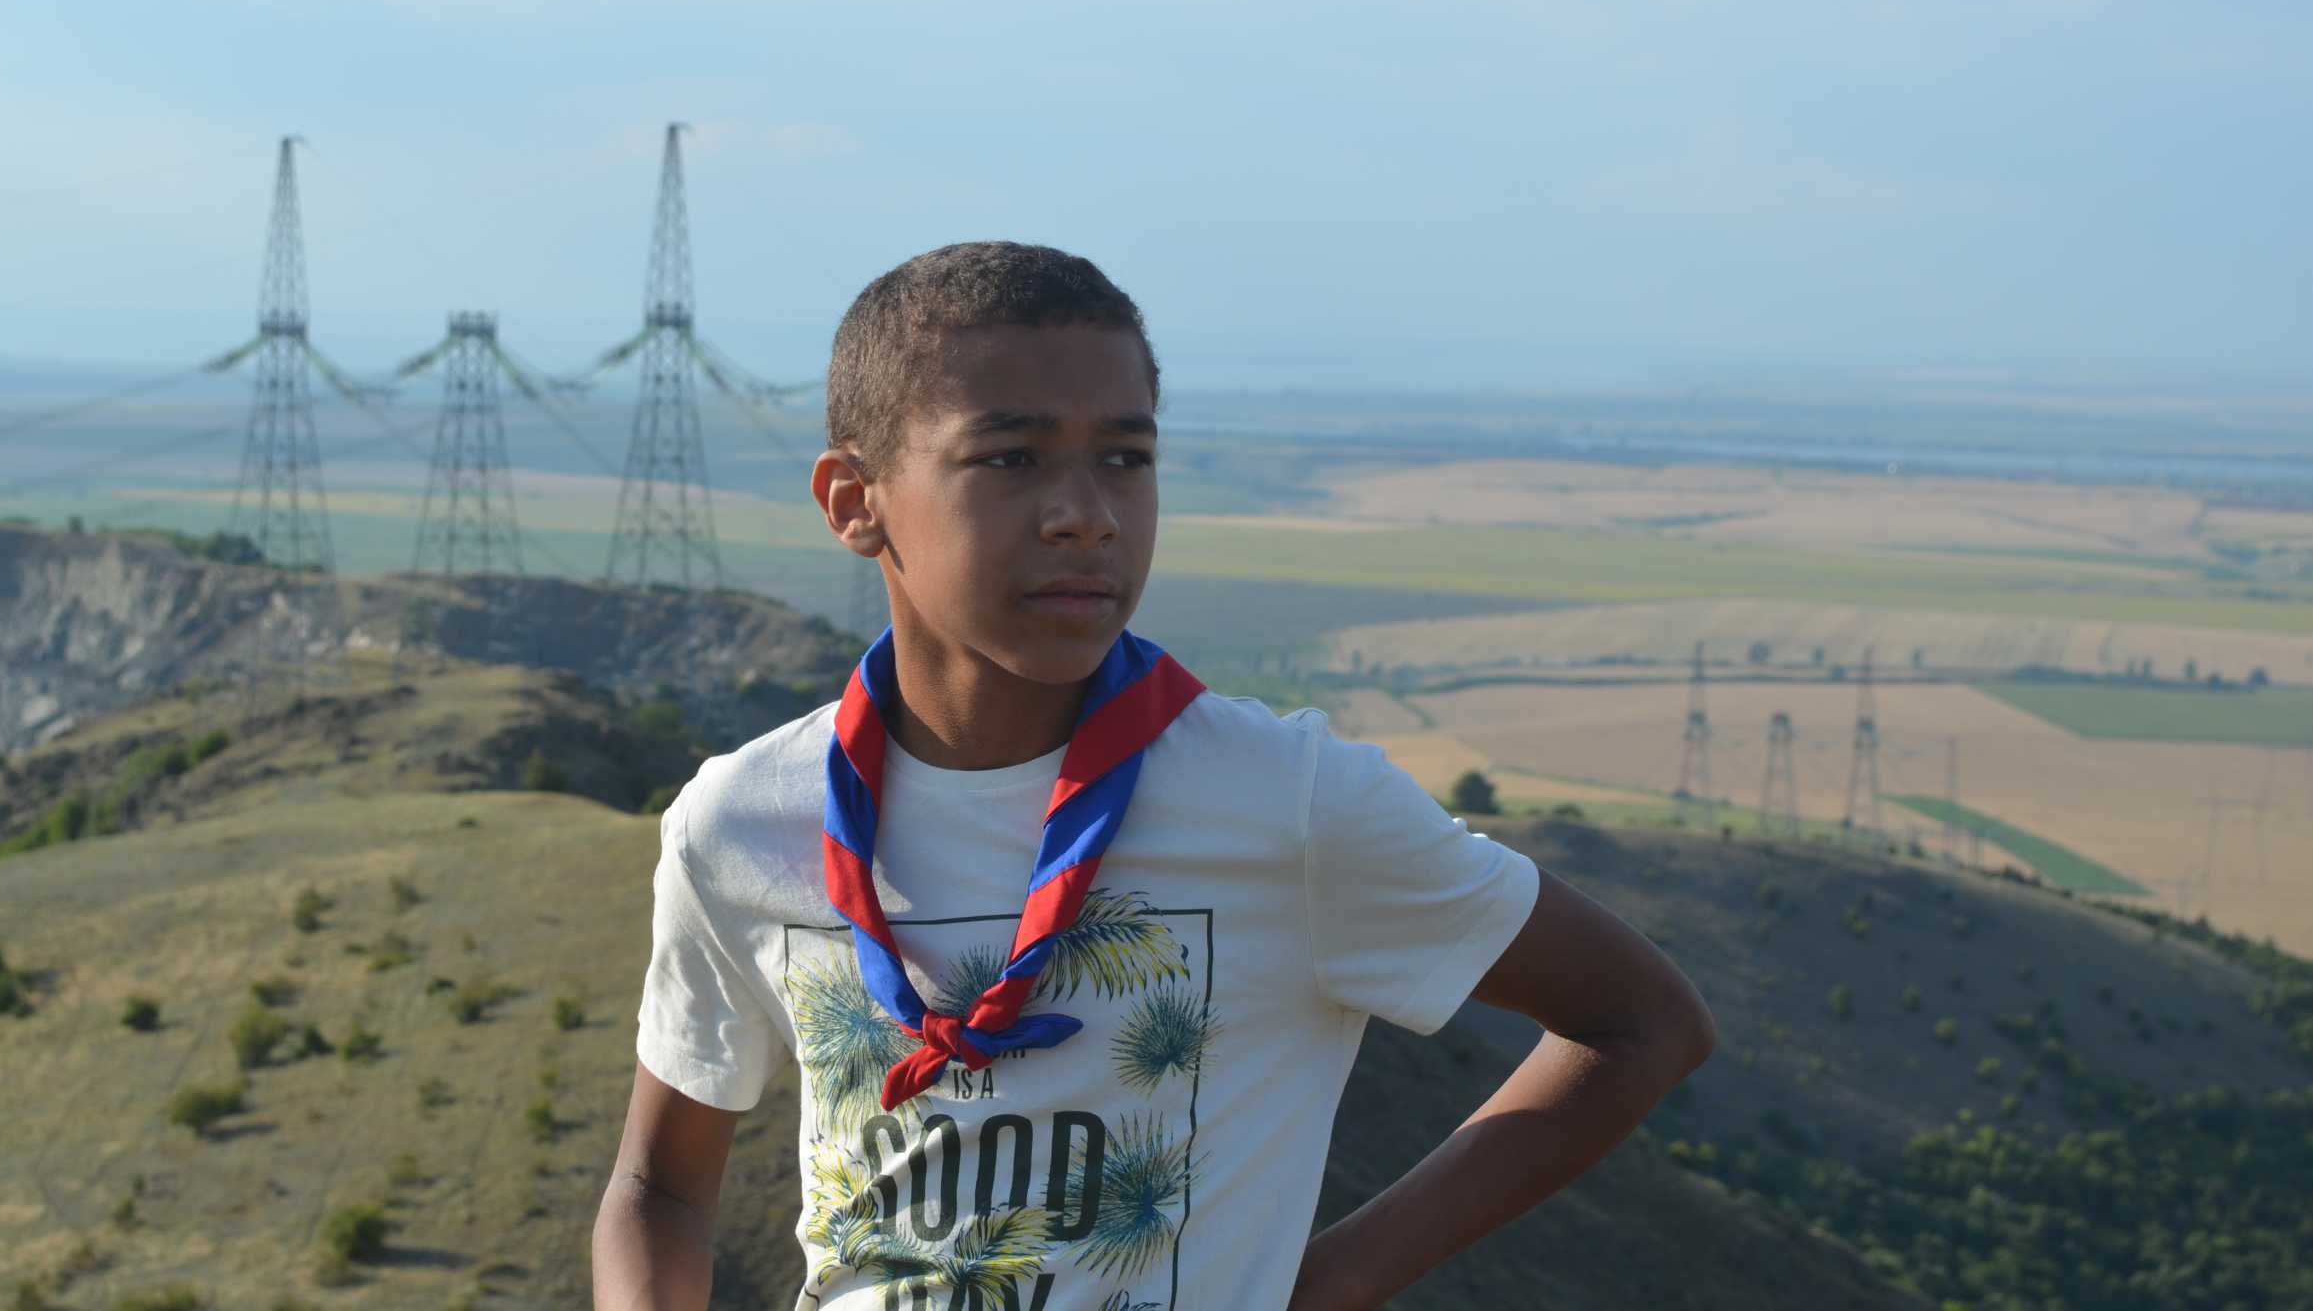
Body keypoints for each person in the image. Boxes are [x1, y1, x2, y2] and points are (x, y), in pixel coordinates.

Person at [594, 241, 1715, 1310]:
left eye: (1126, 459)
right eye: (1010, 457)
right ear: (853, 501)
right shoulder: (740, 823)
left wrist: (1333, 1282)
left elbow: (1641, 1022)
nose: (1085, 515)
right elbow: (660, 1187)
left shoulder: (1284, 799)